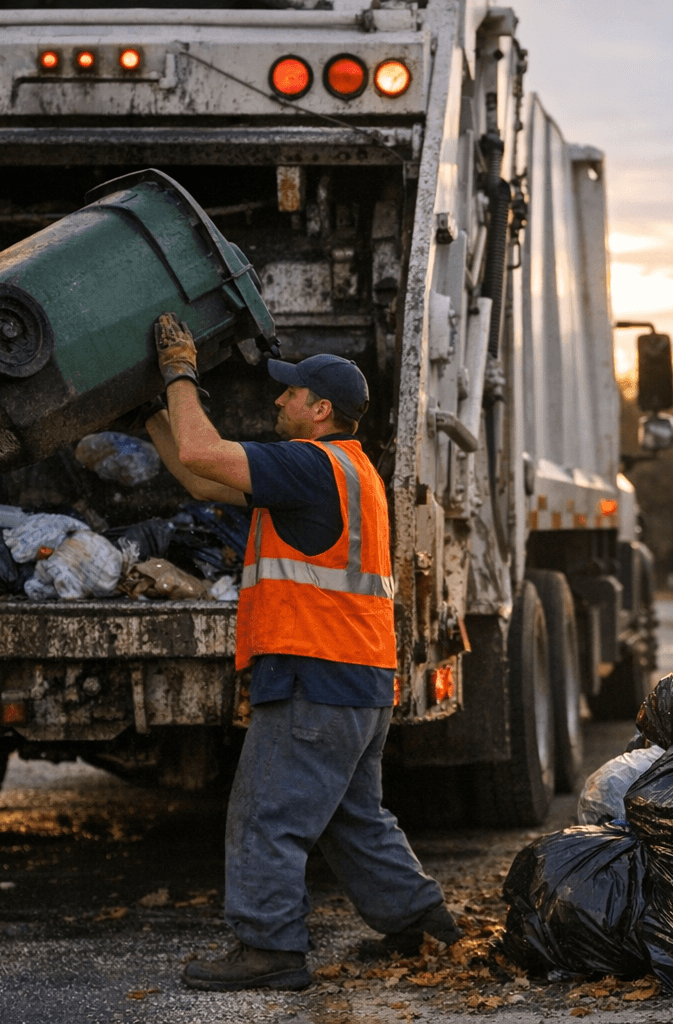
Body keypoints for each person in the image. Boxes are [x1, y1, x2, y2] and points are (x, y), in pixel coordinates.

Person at [145, 313, 461, 992]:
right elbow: (202, 482)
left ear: (320, 411)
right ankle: (424, 925)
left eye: (289, 394)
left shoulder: (307, 465)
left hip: (315, 673)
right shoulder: (352, 471)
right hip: (362, 677)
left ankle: (270, 949)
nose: (278, 399)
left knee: (266, 814)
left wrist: (178, 370)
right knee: (354, 817)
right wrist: (151, 415)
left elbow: (204, 453)